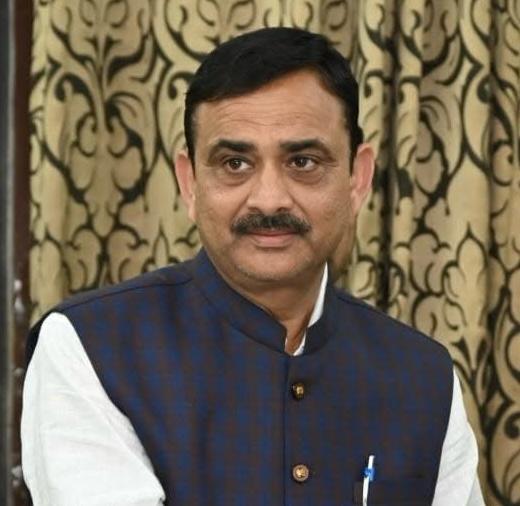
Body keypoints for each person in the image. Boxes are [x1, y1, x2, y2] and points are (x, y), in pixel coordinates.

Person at [21, 27, 484, 506]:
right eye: (235, 164)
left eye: (303, 161)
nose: (268, 199)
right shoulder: (91, 347)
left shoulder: (424, 376)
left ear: (357, 179)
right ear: (190, 183)